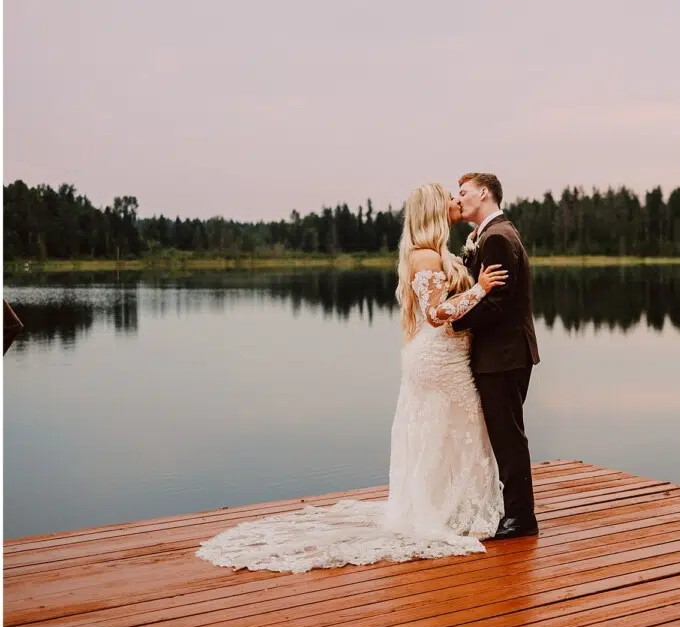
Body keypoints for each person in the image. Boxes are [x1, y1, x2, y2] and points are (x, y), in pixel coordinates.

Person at [195, 183, 509, 573]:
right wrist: (479, 289)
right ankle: (449, 513)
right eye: (447, 196)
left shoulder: (429, 253)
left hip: (437, 356)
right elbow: (435, 314)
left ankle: (445, 509)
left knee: (443, 431)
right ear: (433, 209)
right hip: (438, 358)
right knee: (456, 428)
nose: (454, 201)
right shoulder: (426, 257)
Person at [452, 172, 541, 539]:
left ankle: (521, 518)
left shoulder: (499, 238)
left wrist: (454, 320)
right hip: (501, 353)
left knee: (508, 436)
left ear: (484, 193)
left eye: (464, 192)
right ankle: (513, 511)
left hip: (504, 354)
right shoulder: (486, 236)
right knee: (505, 434)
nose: (458, 199)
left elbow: (498, 305)